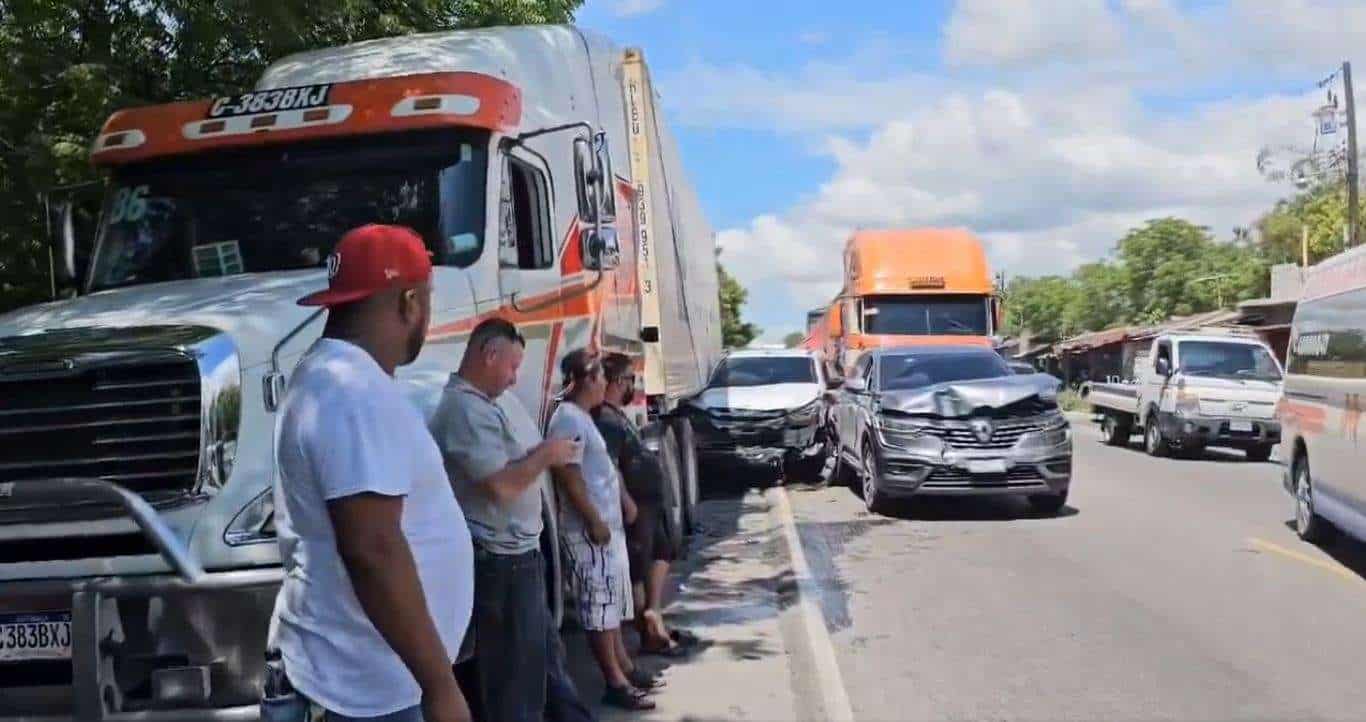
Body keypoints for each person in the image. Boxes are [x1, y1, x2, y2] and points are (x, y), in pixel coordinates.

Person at [269, 224, 472, 722]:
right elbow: (373, 548)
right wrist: (441, 686)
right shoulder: (349, 389)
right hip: (358, 697)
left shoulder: (336, 377)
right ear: (409, 303)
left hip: (364, 684)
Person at [432, 318, 595, 722]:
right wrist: (548, 455)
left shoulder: (493, 401)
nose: (514, 378)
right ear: (489, 356)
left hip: (521, 557)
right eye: (512, 366)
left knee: (546, 670)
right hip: (499, 564)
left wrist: (549, 453)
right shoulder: (463, 409)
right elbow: (501, 487)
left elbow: (524, 458)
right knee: (515, 688)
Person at [546, 350, 655, 711]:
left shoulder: (581, 417)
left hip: (604, 529)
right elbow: (569, 473)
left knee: (609, 606)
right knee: (598, 609)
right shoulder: (567, 420)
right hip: (588, 533)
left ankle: (622, 669)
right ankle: (614, 681)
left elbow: (602, 467)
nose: (606, 384)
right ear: (586, 380)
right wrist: (593, 518)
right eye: (601, 378)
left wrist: (621, 502)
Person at [592, 354, 696, 658]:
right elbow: (610, 466)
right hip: (636, 506)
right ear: (616, 382)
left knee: (662, 553)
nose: (632, 387)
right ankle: (649, 633)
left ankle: (654, 614)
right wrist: (626, 501)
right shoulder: (604, 420)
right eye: (629, 380)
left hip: (650, 504)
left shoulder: (616, 414)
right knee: (638, 566)